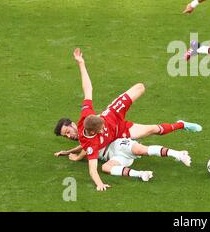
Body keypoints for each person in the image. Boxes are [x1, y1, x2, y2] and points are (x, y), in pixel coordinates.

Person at [55, 48, 201, 191]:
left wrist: (81, 63)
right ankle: (181, 124)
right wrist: (99, 184)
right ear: (94, 131)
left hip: (113, 113)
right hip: (121, 131)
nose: (69, 136)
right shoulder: (91, 144)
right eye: (66, 135)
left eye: (68, 131)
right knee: (153, 129)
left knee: (140, 87)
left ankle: (178, 134)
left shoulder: (87, 116)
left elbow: (88, 89)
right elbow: (92, 169)